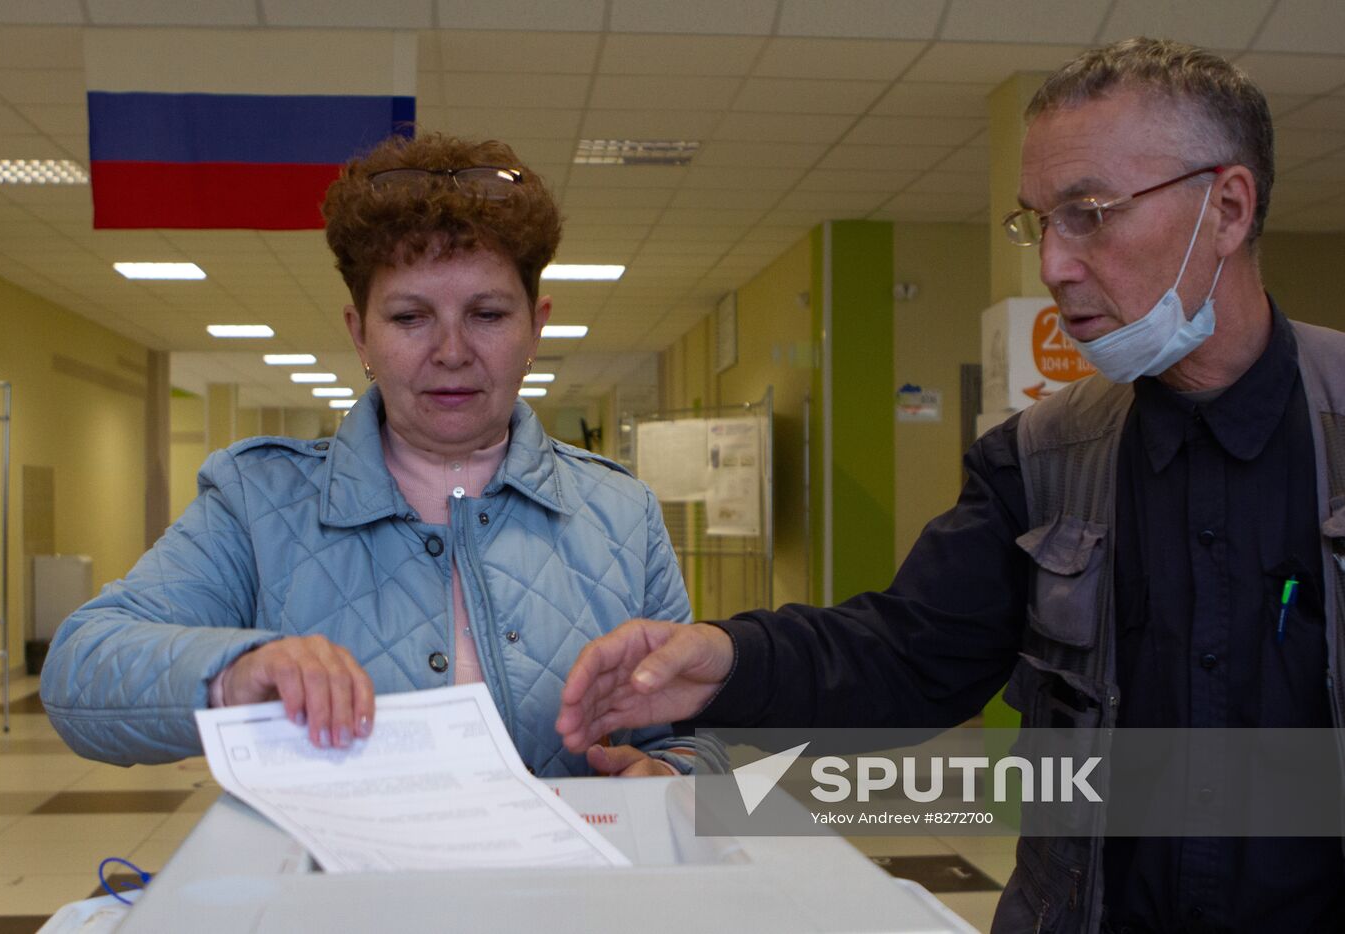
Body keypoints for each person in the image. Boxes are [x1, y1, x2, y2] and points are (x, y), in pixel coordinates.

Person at [557, 38, 1345, 934]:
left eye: (1089, 212)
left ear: (1228, 208)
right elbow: (908, 651)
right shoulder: (1041, 462)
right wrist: (726, 662)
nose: (1053, 263)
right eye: (1037, 222)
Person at [41, 131, 713, 780]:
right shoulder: (259, 500)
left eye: (486, 315)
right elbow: (80, 669)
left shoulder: (621, 511)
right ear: (360, 335)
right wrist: (236, 673)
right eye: (410, 318)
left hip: (569, 890)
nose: (451, 352)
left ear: (535, 328)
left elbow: (693, 731)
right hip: (338, 893)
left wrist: (670, 771)